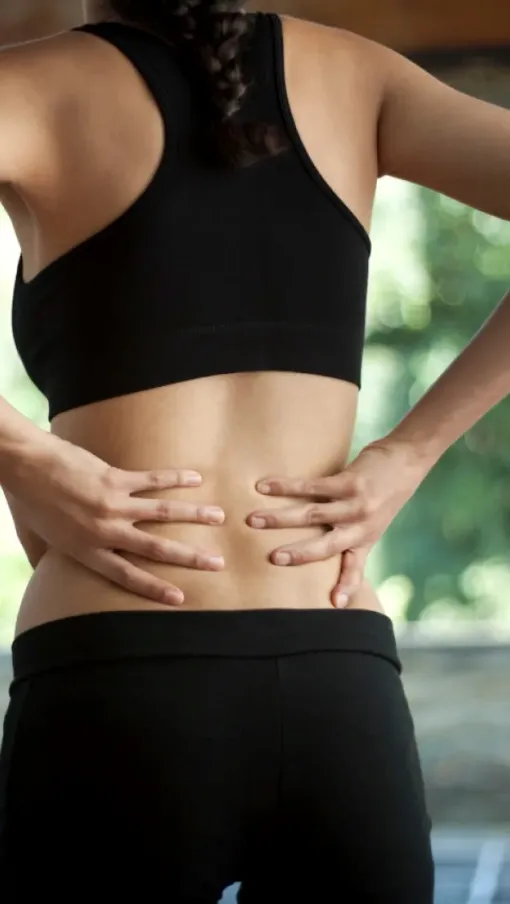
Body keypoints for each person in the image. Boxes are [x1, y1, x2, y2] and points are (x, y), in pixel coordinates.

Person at [0, 0, 508, 900]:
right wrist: (409, 451)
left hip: (117, 684)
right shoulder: (359, 73)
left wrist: (23, 455)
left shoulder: (31, 88)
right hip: (338, 683)